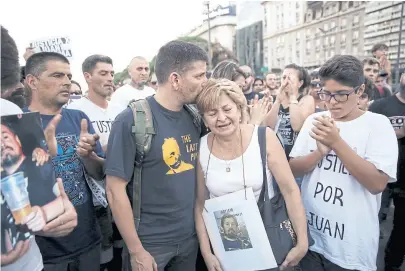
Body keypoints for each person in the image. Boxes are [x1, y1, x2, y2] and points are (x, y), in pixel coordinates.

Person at [105, 40, 209, 271]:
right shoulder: (131, 120)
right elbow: (114, 191)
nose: (205, 82)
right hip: (150, 245)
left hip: (189, 239)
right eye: (199, 76)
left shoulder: (194, 117)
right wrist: (136, 250)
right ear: (175, 79)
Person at [289, 55, 398, 271]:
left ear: (359, 91)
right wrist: (318, 153)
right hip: (311, 238)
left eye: (341, 94)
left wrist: (336, 142)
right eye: (326, 94)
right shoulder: (314, 120)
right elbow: (293, 168)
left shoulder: (377, 125)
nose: (331, 102)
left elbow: (377, 184)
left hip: (350, 249)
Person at [194, 78, 308, 271]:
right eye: (212, 113)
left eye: (227, 109)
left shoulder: (264, 137)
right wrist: (207, 253)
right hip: (228, 250)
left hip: (270, 240)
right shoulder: (201, 148)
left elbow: (290, 190)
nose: (221, 118)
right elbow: (200, 204)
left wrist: (302, 242)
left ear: (239, 109)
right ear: (204, 119)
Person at [1, 26, 78, 271]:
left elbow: (44, 202)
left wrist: (56, 213)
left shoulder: (10, 113)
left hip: (30, 263)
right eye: (57, 76)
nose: (66, 82)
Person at [24, 52, 104, 271]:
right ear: (32, 81)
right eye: (57, 75)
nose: (67, 82)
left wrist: (90, 157)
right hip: (43, 252)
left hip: (87, 241)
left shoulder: (79, 118)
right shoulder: (14, 126)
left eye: (69, 76)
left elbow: (98, 174)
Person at [67, 54, 122, 270]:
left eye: (111, 73)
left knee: (121, 252)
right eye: (103, 73)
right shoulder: (74, 111)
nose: (109, 78)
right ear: (87, 77)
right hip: (95, 199)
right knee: (103, 258)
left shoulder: (119, 109)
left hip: (122, 192)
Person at [369, 73, 405, 271]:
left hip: (404, 181)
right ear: (401, 77)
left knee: (400, 231)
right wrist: (400, 132)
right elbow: (368, 134)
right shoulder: (381, 106)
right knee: (372, 223)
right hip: (380, 176)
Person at [264, 63, 314, 158]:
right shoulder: (276, 99)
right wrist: (278, 101)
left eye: (290, 78)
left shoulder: (307, 99)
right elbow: (268, 126)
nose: (286, 81)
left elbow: (297, 126)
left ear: (300, 83)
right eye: (284, 78)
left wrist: (292, 96)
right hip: (275, 154)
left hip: (295, 156)